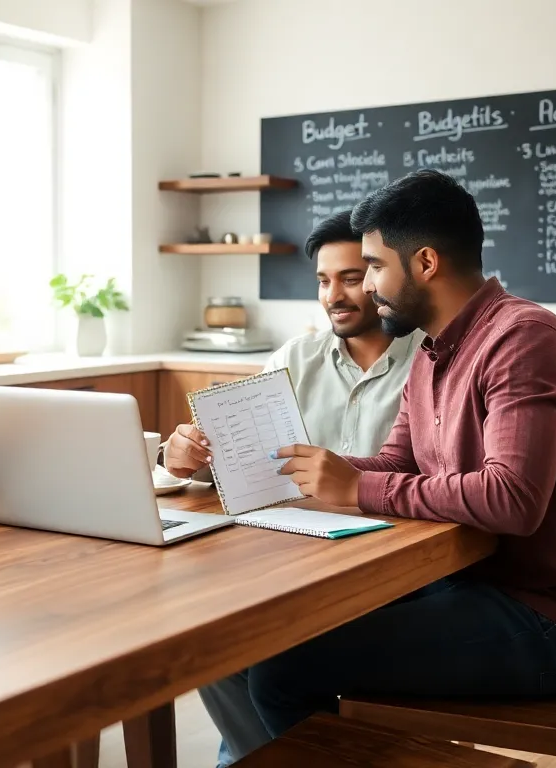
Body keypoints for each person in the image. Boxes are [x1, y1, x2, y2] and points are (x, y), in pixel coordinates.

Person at [251, 169, 556, 738]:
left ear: (424, 263)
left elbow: (512, 499)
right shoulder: (431, 350)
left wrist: (354, 487)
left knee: (281, 666)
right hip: (475, 582)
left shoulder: (523, 340)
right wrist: (319, 468)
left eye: (374, 266)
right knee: (281, 625)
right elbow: (398, 463)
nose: (368, 287)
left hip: (546, 621)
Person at [162, 212, 421, 766]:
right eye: (323, 281)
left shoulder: (431, 360)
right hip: (290, 554)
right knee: (208, 642)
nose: (335, 295)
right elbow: (241, 457)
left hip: (393, 566)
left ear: (383, 276)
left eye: (352, 277)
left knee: (271, 655)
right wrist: (187, 456)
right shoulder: (293, 359)